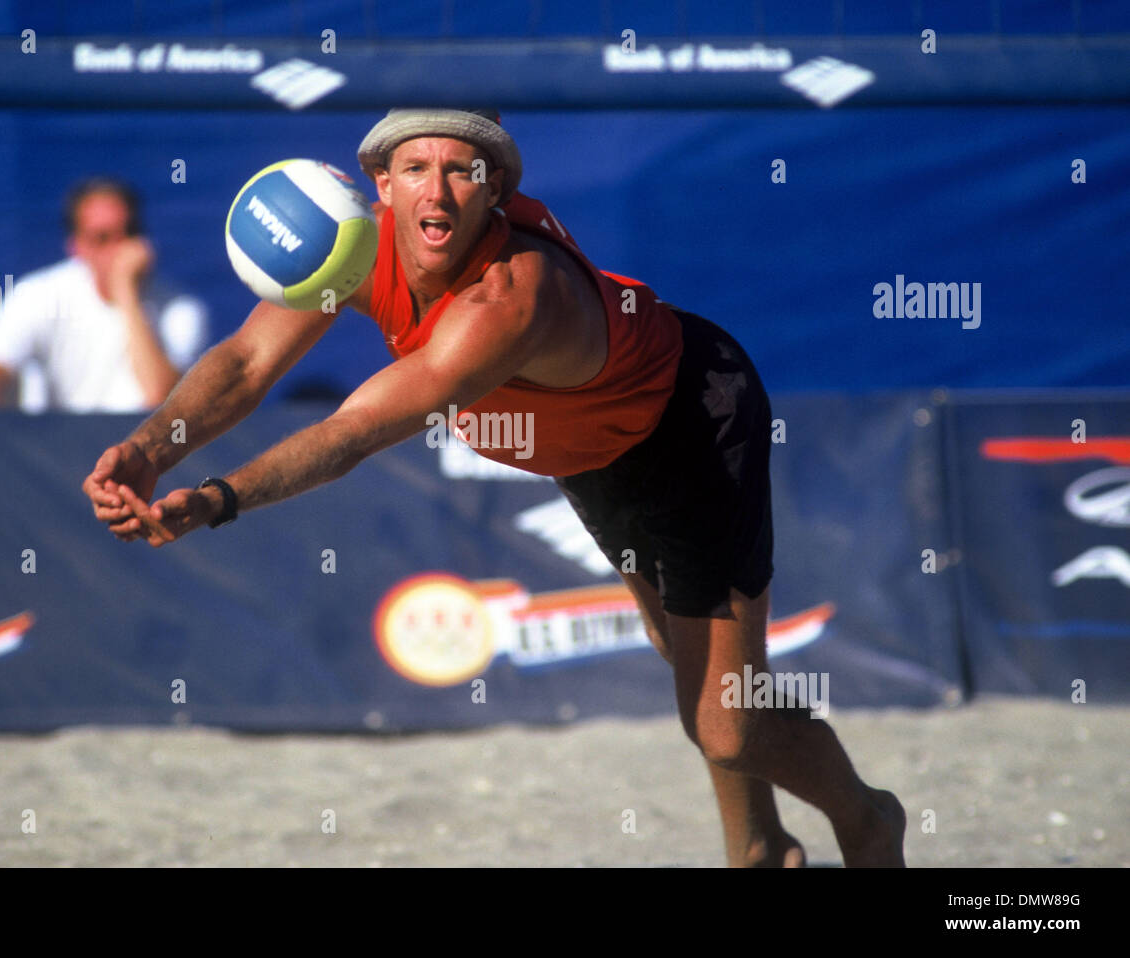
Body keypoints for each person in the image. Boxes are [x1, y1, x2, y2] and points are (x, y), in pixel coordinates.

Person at [82, 109, 906, 867]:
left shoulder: (508, 295)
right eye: (415, 169)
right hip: (587, 451)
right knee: (686, 664)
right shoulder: (355, 248)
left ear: (496, 191)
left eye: (462, 171)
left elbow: (353, 431)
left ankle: (868, 821)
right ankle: (761, 848)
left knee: (725, 722)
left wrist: (220, 499)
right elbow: (245, 361)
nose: (436, 190)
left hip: (689, 422)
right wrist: (153, 447)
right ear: (382, 186)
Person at [0, 177, 208, 413]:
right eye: (102, 238)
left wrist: (126, 294)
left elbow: (162, 401)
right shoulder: (38, 294)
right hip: (53, 452)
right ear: (76, 246)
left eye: (128, 232)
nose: (118, 249)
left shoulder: (182, 309)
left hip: (140, 454)